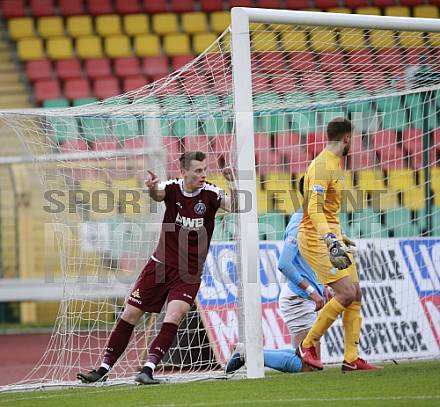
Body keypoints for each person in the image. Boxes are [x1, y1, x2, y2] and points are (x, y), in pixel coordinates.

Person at [78, 151, 237, 385]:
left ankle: (148, 369)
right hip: (160, 265)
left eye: (205, 170)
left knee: (174, 315)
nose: (203, 174)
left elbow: (235, 206)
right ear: (183, 172)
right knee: (130, 314)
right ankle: (102, 369)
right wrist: (152, 188)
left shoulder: (212, 193)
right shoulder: (172, 188)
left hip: (189, 272)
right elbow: (157, 193)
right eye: (198, 170)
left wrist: (232, 181)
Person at [297, 117, 382, 372]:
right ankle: (307, 345)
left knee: (355, 292)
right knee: (345, 293)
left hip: (331, 236)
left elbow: (328, 210)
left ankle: (351, 359)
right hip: (316, 238)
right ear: (347, 138)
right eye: (352, 139)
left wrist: (339, 235)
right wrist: (329, 238)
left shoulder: (335, 163)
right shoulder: (322, 166)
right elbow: (314, 209)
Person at [225, 177, 331, 375]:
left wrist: (323, 285)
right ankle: (248, 353)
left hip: (303, 298)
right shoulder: (299, 224)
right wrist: (311, 291)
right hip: (298, 299)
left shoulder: (311, 220)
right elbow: (284, 264)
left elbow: (309, 260)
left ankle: (248, 352)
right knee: (309, 365)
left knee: (307, 361)